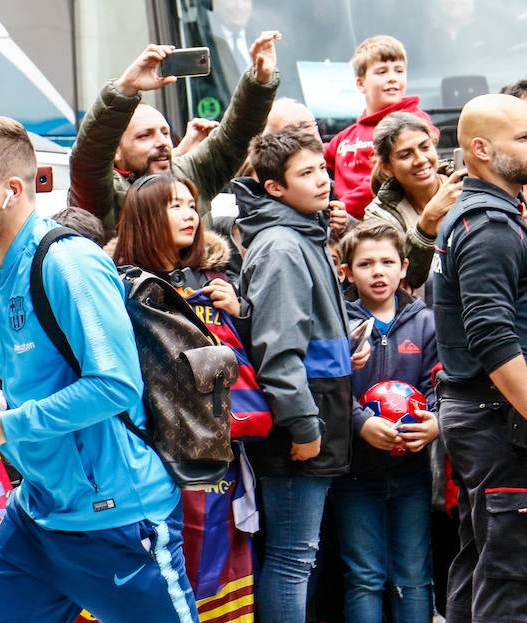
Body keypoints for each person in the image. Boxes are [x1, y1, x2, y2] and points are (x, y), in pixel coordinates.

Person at [0, 115, 198, 622]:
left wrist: (2, 427)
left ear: (12, 190)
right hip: (37, 513)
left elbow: (115, 384)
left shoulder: (67, 262)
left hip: (116, 515)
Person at [432, 93, 527, 623]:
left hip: (490, 417)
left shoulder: (494, 215)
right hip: (503, 420)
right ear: (481, 150)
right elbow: (492, 336)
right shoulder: (490, 229)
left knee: (486, 566)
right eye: (525, 138)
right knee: (514, 580)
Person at [232, 127, 366, 623]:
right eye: (306, 173)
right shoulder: (283, 246)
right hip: (299, 427)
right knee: (292, 558)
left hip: (318, 412)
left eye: (323, 169)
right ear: (275, 189)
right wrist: (305, 428)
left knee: (300, 556)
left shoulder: (304, 235)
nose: (323, 180)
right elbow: (278, 352)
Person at [111, 172, 259, 621]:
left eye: (191, 204)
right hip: (148, 456)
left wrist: (239, 313)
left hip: (216, 455)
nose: (189, 213)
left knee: (216, 564)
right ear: (144, 217)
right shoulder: (122, 287)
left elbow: (251, 366)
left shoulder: (215, 282)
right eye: (174, 205)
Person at [331, 220, 439, 622]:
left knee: (413, 575)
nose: (378, 272)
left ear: (404, 267)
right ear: (346, 271)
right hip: (354, 474)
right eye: (366, 264)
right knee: (364, 575)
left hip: (411, 472)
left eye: (387, 262)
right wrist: (360, 422)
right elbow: (329, 387)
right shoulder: (338, 321)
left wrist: (434, 421)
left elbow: (438, 383)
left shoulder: (424, 320)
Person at [69, 32, 280, 235]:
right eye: (145, 136)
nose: (162, 142)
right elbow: (88, 159)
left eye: (165, 133)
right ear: (116, 152)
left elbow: (236, 136)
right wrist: (126, 88)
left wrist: (260, 83)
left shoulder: (189, 173)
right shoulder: (104, 195)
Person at [324, 35, 437, 220]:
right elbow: (314, 156)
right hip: (341, 222)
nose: (393, 78)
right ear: (360, 83)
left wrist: (343, 208)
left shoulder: (414, 122)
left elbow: (381, 180)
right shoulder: (347, 136)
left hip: (385, 226)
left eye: (399, 71)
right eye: (382, 72)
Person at [364, 111, 464, 295]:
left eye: (425, 147)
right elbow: (403, 280)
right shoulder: (380, 214)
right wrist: (427, 222)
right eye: (405, 155)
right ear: (387, 167)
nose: (420, 160)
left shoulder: (464, 185)